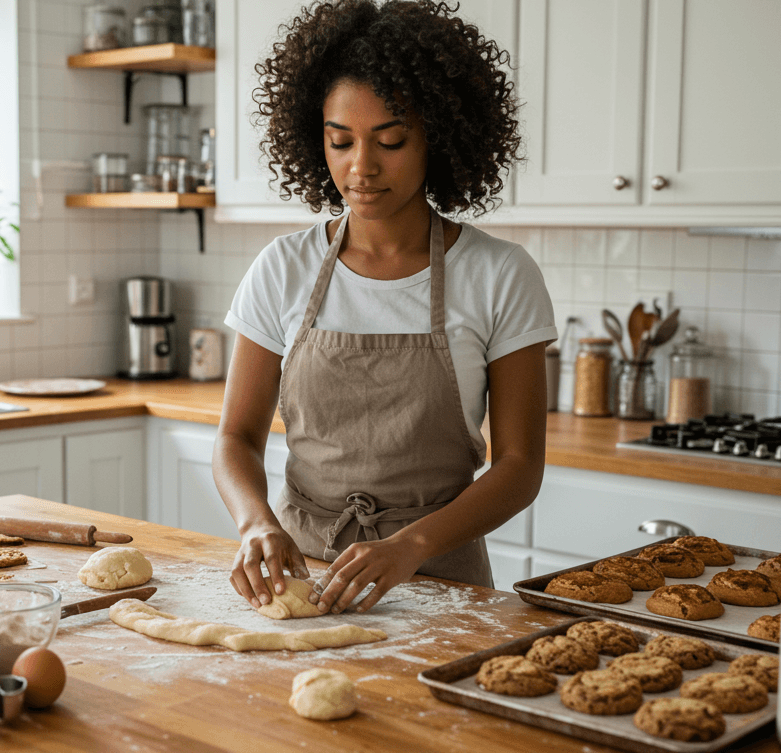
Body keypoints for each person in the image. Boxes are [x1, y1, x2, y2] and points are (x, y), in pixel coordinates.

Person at [214, 0, 556, 616]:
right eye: (340, 141)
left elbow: (521, 465)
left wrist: (409, 546)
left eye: (391, 141)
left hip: (443, 584)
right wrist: (255, 522)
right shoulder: (282, 267)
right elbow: (235, 438)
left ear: (438, 139)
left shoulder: (500, 274)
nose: (361, 167)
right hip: (301, 578)